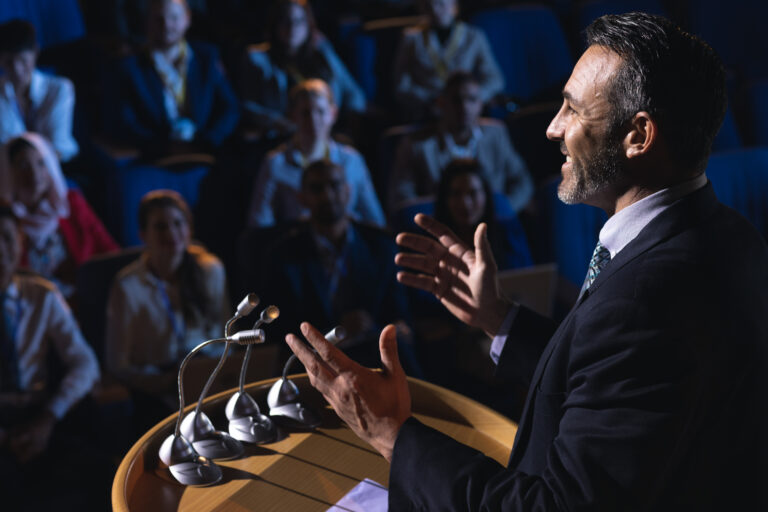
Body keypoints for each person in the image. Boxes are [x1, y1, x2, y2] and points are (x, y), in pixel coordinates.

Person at [285, 12, 768, 510]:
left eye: (573, 110)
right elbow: (615, 380)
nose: (553, 128)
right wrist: (498, 317)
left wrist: (391, 434)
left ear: (638, 136)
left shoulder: (647, 300)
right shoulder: (734, 238)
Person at [261, 160, 416, 370]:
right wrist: (335, 332)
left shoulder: (381, 246)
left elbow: (399, 311)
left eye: (334, 185)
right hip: (316, 361)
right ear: (302, 198)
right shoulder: (282, 254)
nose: (327, 196)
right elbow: (280, 329)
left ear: (348, 191)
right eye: (317, 189)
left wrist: (380, 328)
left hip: (374, 351)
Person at [0, 205, 105, 510]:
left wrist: (48, 417)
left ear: (20, 241)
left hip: (40, 412)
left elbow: (85, 364)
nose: (0, 250)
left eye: (6, 238)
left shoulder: (41, 295)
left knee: (99, 473)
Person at [105, 190, 230, 426]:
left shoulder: (211, 270)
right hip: (158, 389)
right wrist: (164, 381)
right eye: (161, 226)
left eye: (177, 223)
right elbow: (117, 364)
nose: (171, 233)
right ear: (143, 235)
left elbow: (225, 336)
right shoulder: (127, 286)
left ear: (189, 229)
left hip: (208, 378)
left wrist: (206, 370)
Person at [247, 79, 385, 228]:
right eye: (305, 113)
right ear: (293, 116)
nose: (313, 120)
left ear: (333, 114)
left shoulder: (352, 160)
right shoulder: (276, 163)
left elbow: (374, 221)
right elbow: (259, 224)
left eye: (320, 111)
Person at [390, 71, 532, 212]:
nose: (464, 107)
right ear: (442, 103)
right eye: (456, 100)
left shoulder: (496, 134)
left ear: (480, 105)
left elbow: (523, 181)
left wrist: (503, 209)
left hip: (493, 224)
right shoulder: (417, 145)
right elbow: (403, 196)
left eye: (471, 99)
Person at [112, 0, 239, 157]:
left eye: (174, 18)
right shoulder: (130, 68)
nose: (166, 25)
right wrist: (162, 147)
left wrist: (209, 141)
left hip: (206, 152)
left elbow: (230, 108)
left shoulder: (207, 58)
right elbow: (124, 122)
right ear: (147, 22)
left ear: (187, 19)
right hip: (154, 157)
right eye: (159, 19)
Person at [1, 133, 119, 298]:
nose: (33, 173)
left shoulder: (72, 204)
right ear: (8, 172)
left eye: (40, 163)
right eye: (22, 165)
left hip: (84, 301)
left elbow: (110, 253)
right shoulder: (6, 221)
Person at [239, 0, 366, 136]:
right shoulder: (257, 58)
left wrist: (352, 119)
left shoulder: (321, 50)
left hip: (329, 131)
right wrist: (279, 124)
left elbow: (351, 90)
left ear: (308, 24)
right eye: (285, 21)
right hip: (283, 134)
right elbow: (248, 105)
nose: (292, 27)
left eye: (299, 21)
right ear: (275, 25)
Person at [393, 0, 504, 120]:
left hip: (465, 109)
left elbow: (494, 79)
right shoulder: (412, 38)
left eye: (441, 4)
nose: (435, 10)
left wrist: (473, 99)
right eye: (429, 5)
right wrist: (429, 100)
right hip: (427, 109)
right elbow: (401, 82)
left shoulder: (474, 36)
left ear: (454, 6)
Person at [0, 19, 79, 162]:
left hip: (58, 166)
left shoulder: (59, 89)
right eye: (8, 62)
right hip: (10, 172)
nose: (17, 70)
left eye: (23, 60)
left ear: (36, 52)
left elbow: (57, 145)